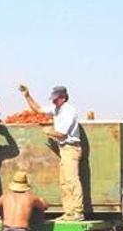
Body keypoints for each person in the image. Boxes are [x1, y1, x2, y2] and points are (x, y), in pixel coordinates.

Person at [18, 84, 84, 221]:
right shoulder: (57, 109)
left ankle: (78, 211)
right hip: (64, 149)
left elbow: (62, 133)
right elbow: (39, 110)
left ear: (63, 97)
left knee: (72, 180)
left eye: (56, 99)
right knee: (64, 182)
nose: (53, 101)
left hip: (71, 148)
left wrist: (49, 132)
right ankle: (69, 212)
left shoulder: (68, 111)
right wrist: (27, 95)